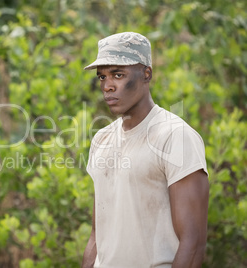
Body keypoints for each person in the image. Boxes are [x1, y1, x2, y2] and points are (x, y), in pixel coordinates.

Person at [81, 32, 209, 267]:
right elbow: (98, 235)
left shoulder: (175, 137)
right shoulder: (102, 140)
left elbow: (193, 241)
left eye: (118, 75)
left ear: (146, 74)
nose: (108, 86)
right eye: (102, 77)